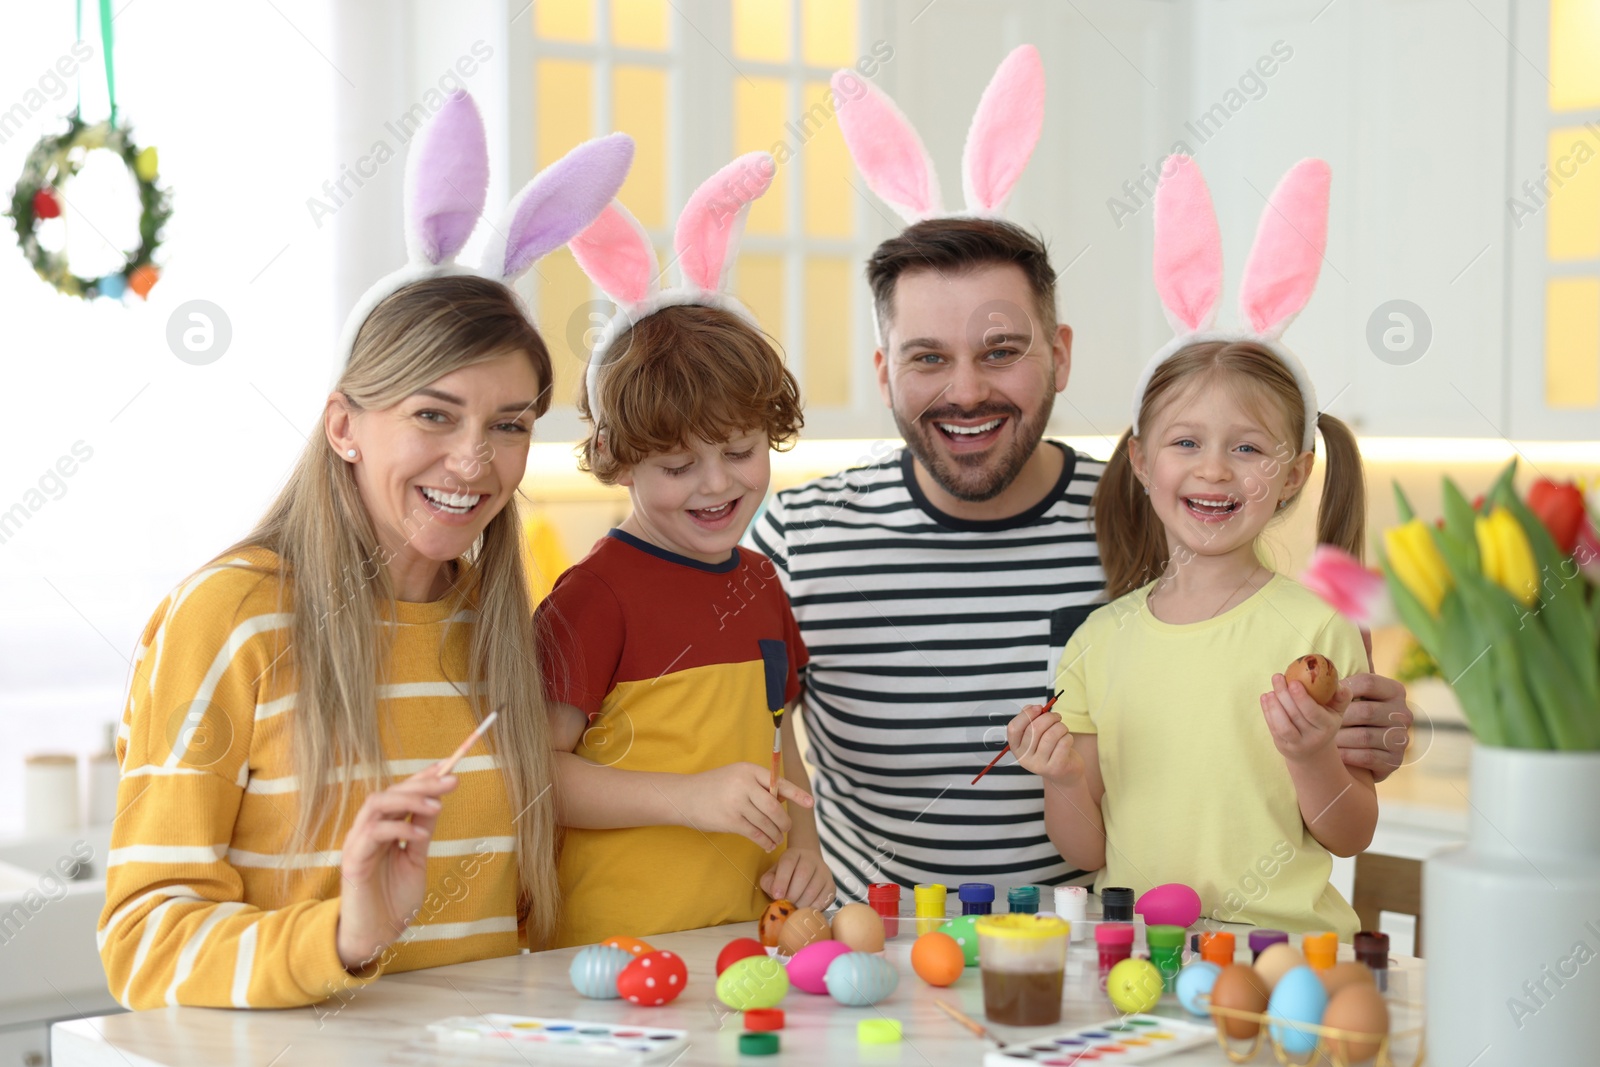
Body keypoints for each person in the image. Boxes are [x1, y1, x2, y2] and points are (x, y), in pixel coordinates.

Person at [748, 61, 1411, 901]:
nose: (965, 391)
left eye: (1001, 351)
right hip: (879, 960)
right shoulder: (797, 540)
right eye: (928, 358)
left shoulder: (1150, 519)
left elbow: (1280, 723)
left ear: (1059, 352)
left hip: (1094, 967)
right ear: (884, 370)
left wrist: (1362, 733)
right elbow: (725, 727)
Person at [97, 92, 631, 1008]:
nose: (474, 460)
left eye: (508, 424)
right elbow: (145, 942)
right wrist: (342, 934)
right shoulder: (232, 615)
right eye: (433, 413)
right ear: (345, 423)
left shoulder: (498, 628)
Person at [1008, 156, 1373, 936]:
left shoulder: (1320, 633)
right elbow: (1085, 847)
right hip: (1146, 965)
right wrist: (1065, 777)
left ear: (1293, 475)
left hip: (1287, 961)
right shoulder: (1098, 643)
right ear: (1140, 460)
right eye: (1185, 441)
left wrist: (1312, 758)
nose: (1213, 469)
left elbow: (1350, 832)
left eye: (1248, 448)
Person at [536, 154, 836, 949]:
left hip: (744, 938)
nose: (715, 486)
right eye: (676, 465)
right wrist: (688, 797)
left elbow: (777, 740)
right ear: (616, 458)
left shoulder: (763, 580)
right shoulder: (592, 597)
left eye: (740, 450)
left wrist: (804, 846)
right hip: (614, 950)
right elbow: (537, 778)